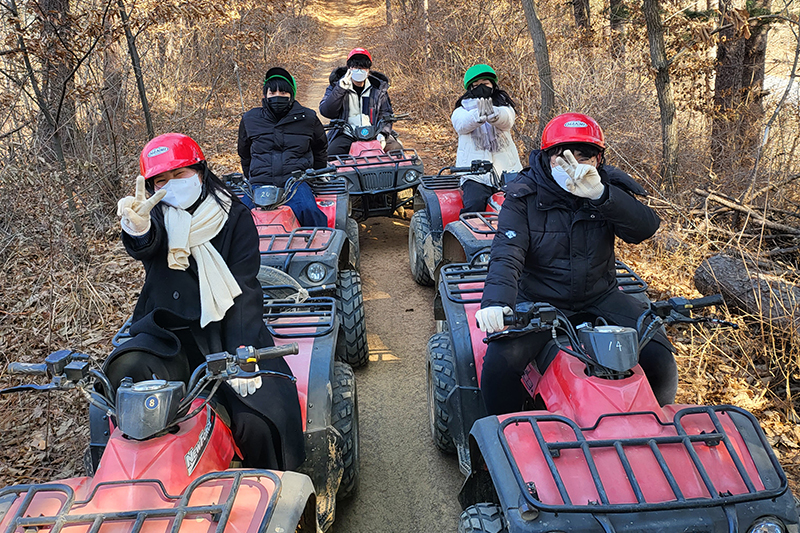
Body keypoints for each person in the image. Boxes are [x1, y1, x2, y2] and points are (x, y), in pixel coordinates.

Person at [110, 132, 305, 470]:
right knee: (124, 381)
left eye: (179, 174)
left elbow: (244, 287)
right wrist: (137, 229)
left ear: (200, 172)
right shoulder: (155, 214)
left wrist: (244, 350)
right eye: (161, 180)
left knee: (259, 421)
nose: (171, 185)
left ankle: (276, 485)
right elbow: (146, 246)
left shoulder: (234, 215)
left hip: (225, 331)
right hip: (167, 335)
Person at [475, 112, 677, 415]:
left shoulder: (607, 186)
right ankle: (507, 435)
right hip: (539, 299)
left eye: (585, 157)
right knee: (499, 366)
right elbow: (507, 252)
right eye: (563, 157)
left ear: (599, 160)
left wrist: (602, 196)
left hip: (600, 295)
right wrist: (496, 302)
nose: (574, 164)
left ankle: (655, 427)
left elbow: (645, 228)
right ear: (548, 158)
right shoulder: (523, 195)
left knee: (659, 358)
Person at [237, 66, 328, 227]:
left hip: (295, 182)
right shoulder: (250, 119)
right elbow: (244, 153)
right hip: (260, 184)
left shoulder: (308, 118)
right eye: (272, 93)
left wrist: (315, 173)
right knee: (239, 219)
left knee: (309, 211)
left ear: (291, 95)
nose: (277, 96)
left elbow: (320, 148)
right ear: (265, 95)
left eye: (283, 92)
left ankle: (321, 243)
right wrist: (253, 177)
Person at [451, 64, 522, 214]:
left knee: (519, 207)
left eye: (485, 83)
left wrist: (494, 114)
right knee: (474, 206)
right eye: (476, 85)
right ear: (470, 89)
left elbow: (507, 120)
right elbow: (461, 125)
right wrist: (478, 115)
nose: (481, 88)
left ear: (493, 85)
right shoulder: (461, 110)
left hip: (507, 171)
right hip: (474, 175)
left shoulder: (504, 105)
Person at [319, 47, 402, 155]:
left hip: (375, 132)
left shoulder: (378, 88)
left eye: (363, 67)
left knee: (396, 150)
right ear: (349, 68)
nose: (359, 71)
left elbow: (386, 113)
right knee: (331, 154)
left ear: (368, 70)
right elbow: (326, 111)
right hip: (347, 133)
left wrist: (382, 134)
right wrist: (340, 89)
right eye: (355, 67)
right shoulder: (336, 86)